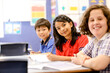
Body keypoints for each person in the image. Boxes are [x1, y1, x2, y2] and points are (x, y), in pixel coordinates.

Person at [71, 5, 110, 73]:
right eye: (92, 20)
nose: (95, 23)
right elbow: (78, 55)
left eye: (100, 19)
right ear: (87, 24)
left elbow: (99, 64)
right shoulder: (94, 40)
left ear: (108, 21)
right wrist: (89, 61)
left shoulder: (108, 39)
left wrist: (81, 61)